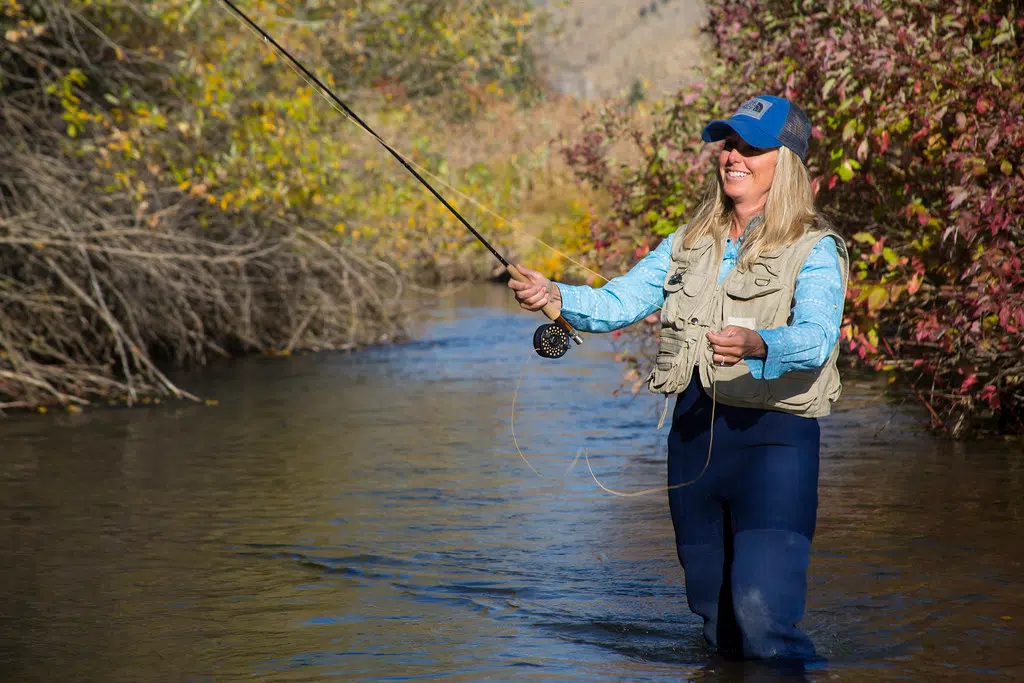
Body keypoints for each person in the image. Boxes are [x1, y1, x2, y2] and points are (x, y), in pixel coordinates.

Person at [509, 95, 848, 661]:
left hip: (776, 444)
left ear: (784, 161)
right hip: (694, 443)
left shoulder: (815, 249)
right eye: (727, 144)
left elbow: (817, 336)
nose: (733, 155)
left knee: (765, 621)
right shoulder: (687, 242)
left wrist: (760, 342)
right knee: (719, 628)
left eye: (751, 146)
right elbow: (620, 301)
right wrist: (556, 295)